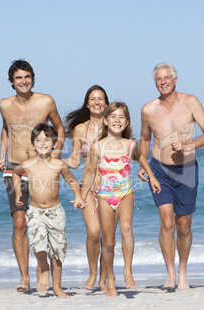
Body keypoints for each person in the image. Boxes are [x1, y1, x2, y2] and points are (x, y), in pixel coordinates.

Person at [137, 63, 204, 290]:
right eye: (158, 79)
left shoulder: (190, 101)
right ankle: (170, 273)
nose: (163, 82)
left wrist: (187, 144)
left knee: (183, 225)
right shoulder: (148, 109)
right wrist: (142, 163)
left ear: (175, 80)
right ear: (155, 82)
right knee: (167, 221)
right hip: (159, 169)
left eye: (166, 77)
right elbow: (144, 139)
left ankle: (183, 271)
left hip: (186, 170)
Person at [0, 60, 65, 293]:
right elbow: (6, 130)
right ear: (11, 82)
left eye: (27, 77)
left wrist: (55, 153)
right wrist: (1, 155)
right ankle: (24, 277)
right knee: (19, 222)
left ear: (32, 78)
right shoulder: (4, 105)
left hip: (40, 167)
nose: (23, 81)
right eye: (18, 78)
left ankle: (42, 264)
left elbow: (59, 128)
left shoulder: (46, 101)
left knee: (44, 217)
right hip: (15, 166)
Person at [82, 101, 161, 297]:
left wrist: (152, 177)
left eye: (121, 117)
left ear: (126, 123)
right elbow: (90, 173)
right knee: (108, 243)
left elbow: (141, 158)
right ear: (106, 121)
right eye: (113, 117)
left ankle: (128, 271)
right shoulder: (97, 146)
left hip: (125, 193)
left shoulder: (130, 145)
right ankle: (110, 280)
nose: (117, 120)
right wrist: (81, 196)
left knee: (126, 228)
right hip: (104, 197)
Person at [12, 124, 85, 298]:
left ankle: (57, 287)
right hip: (36, 211)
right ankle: (43, 268)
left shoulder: (59, 164)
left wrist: (79, 196)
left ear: (54, 144)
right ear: (32, 144)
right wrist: (18, 191)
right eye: (38, 140)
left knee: (58, 251)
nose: (43, 143)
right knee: (38, 244)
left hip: (56, 213)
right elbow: (15, 173)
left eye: (47, 139)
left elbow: (71, 180)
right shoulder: (27, 164)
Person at [63, 85, 109, 291]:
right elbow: (75, 160)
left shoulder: (114, 125)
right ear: (87, 104)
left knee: (108, 237)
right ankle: (92, 274)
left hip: (111, 186)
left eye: (100, 99)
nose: (97, 102)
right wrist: (52, 160)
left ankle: (104, 278)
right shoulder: (80, 129)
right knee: (93, 232)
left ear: (106, 103)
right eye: (92, 99)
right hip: (88, 187)